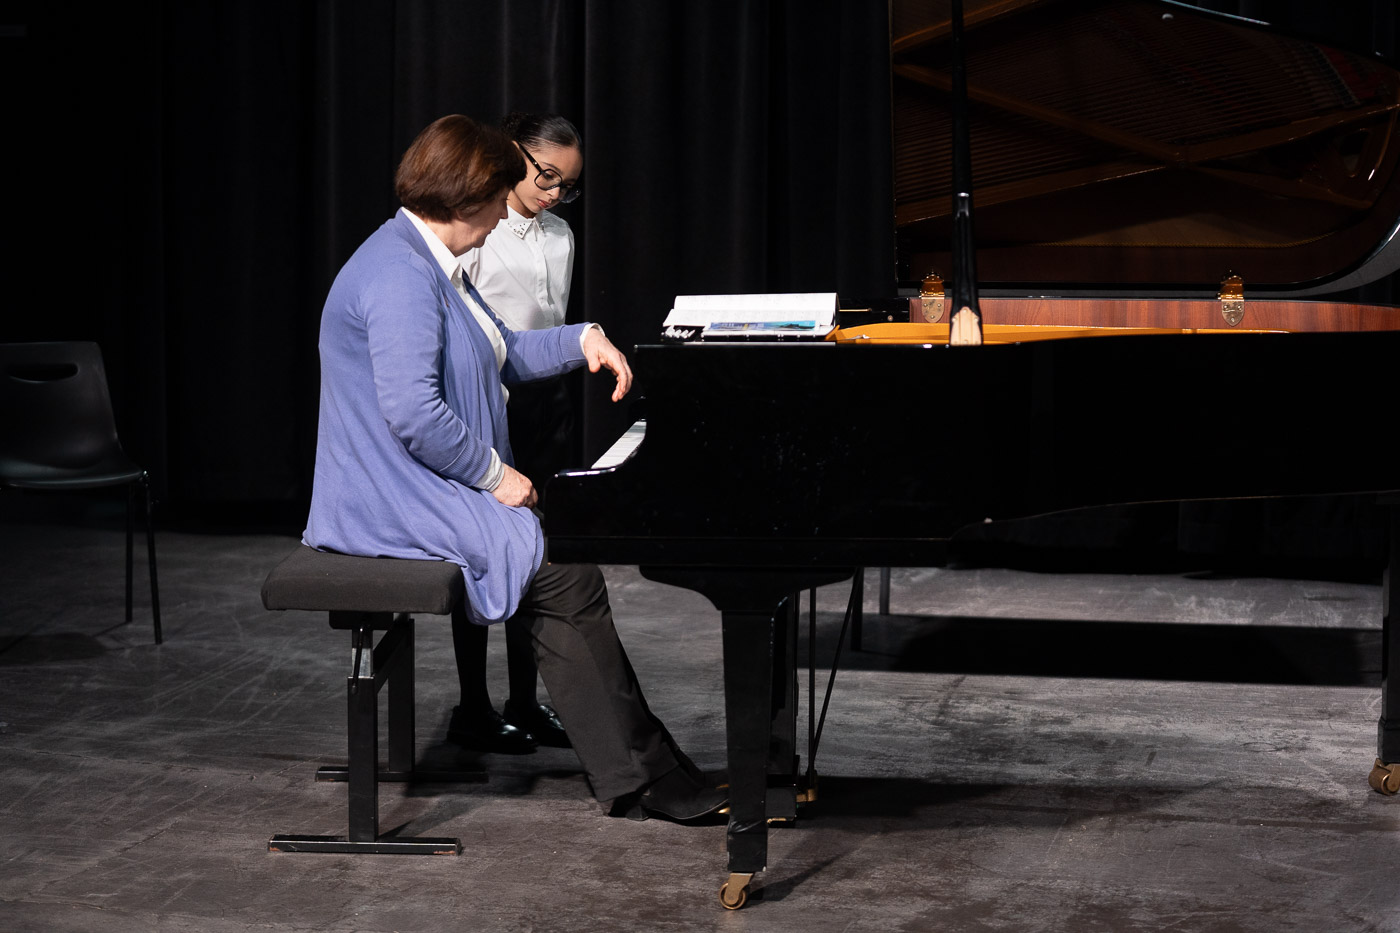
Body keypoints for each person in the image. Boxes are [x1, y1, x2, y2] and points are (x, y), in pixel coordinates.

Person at [302, 114, 724, 821]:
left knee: (563, 566)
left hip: (415, 481)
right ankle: (642, 772)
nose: (506, 212)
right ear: (465, 195)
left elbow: (504, 350)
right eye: (499, 197)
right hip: (386, 493)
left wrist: (582, 339)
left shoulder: (431, 264)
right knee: (560, 570)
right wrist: (496, 476)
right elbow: (413, 413)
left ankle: (643, 765)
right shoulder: (401, 274)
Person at [451, 112, 584, 753]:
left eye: (567, 185)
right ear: (513, 155)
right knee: (483, 554)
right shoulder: (479, 229)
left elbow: (551, 323)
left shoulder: (560, 235)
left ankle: (525, 701)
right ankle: (473, 705)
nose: (555, 192)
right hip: (490, 406)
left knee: (537, 555)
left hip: (547, 406)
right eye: (547, 176)